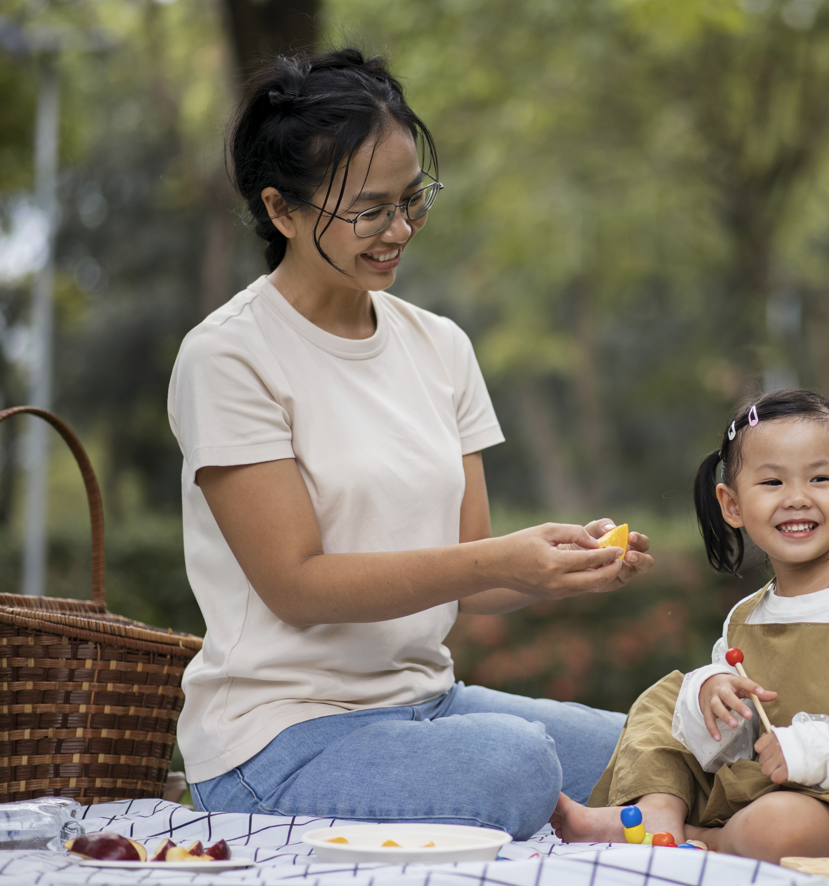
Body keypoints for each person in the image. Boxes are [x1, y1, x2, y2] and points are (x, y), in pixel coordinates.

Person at [166, 48, 652, 840]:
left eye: (411, 200)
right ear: (281, 209)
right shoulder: (229, 356)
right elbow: (297, 586)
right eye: (368, 210)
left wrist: (563, 569)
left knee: (657, 749)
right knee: (515, 763)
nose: (398, 230)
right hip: (279, 740)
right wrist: (496, 559)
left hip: (428, 705)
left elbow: (470, 572)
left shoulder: (439, 346)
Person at [552, 390, 829, 861]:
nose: (796, 499)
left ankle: (704, 839)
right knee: (671, 698)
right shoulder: (745, 616)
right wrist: (714, 694)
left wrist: (810, 755)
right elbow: (731, 750)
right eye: (772, 482)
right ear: (731, 506)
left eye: (819, 478)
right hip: (776, 784)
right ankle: (658, 816)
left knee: (773, 826)